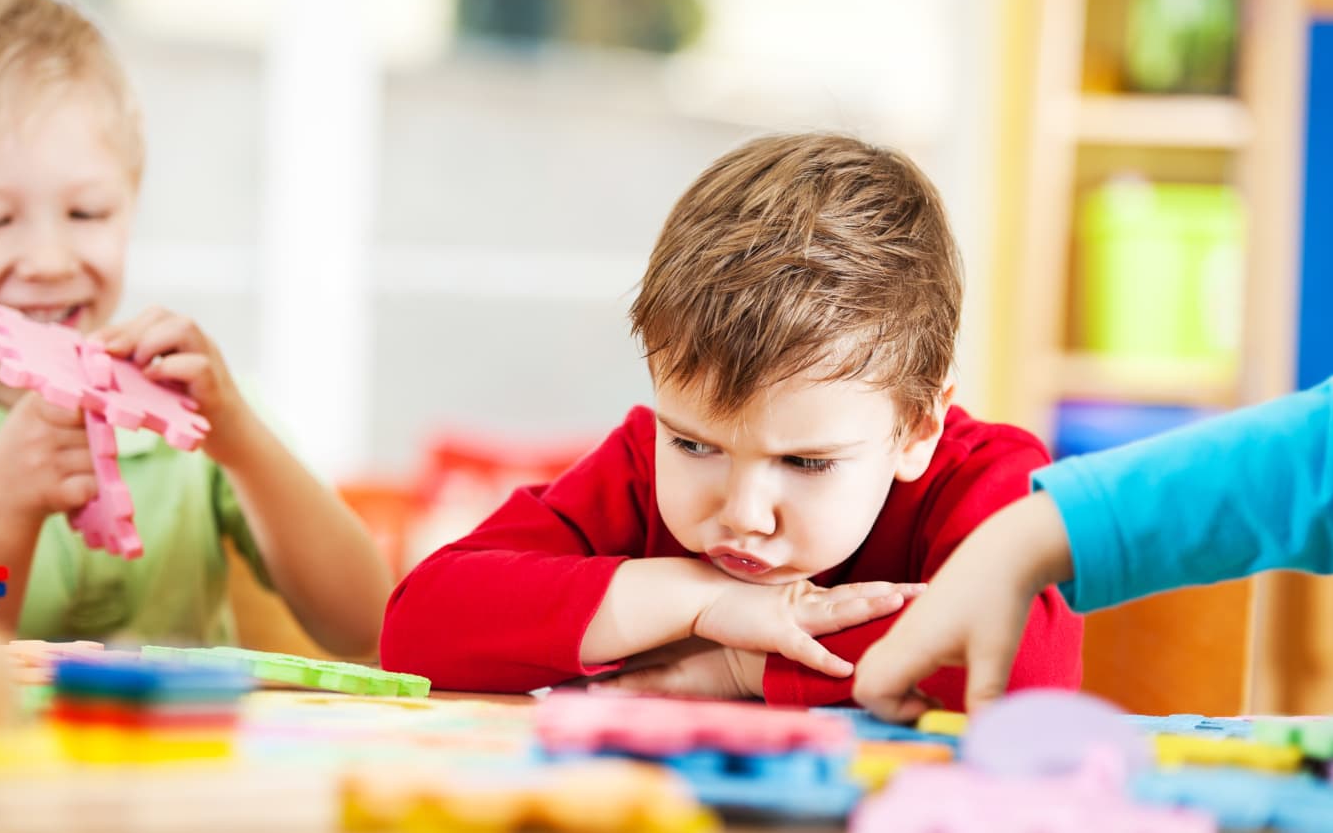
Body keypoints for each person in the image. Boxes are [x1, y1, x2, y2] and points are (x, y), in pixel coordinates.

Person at [381, 133, 1083, 706]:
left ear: (918, 429)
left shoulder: (989, 476)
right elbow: (420, 624)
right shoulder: (638, 465)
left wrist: (746, 666)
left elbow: (1020, 671)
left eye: (806, 463)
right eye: (694, 443)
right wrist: (701, 599)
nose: (744, 514)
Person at [0, 0, 390, 650]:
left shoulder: (195, 426)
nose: (48, 260)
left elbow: (372, 621)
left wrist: (238, 437)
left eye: (88, 212)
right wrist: (3, 507)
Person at [855, 378, 1333, 720]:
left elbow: (1014, 687)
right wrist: (1027, 540)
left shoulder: (985, 467)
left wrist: (777, 665)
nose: (773, 518)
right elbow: (1311, 455)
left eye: (809, 461)